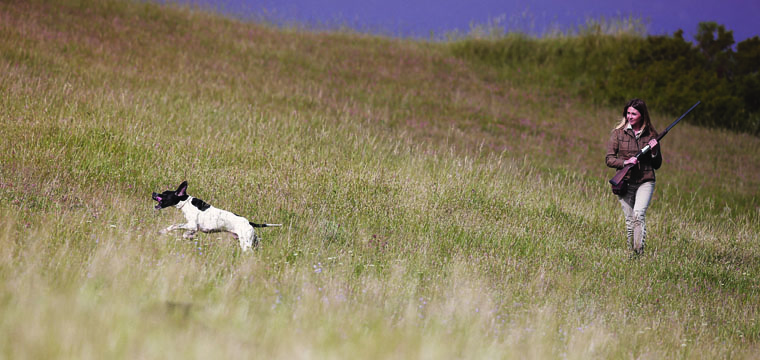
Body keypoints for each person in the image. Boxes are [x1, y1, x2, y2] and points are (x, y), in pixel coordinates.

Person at [605, 98, 662, 256]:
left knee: (638, 215)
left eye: (634, 114)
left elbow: (657, 164)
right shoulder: (618, 133)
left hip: (645, 180)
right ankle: (632, 252)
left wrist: (654, 151)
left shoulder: (651, 135)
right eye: (628, 113)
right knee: (630, 221)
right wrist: (625, 162)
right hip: (625, 181)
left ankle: (639, 251)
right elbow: (609, 159)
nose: (630, 116)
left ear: (642, 116)